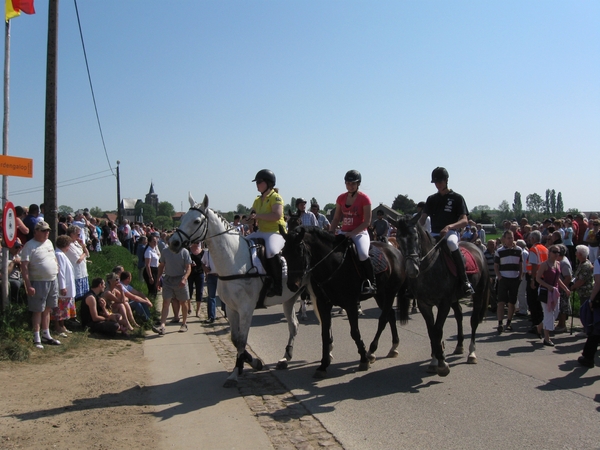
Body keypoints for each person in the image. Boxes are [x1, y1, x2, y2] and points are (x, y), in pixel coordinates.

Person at [420, 167, 474, 296]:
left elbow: (464, 220)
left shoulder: (457, 198)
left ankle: (465, 280)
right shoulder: (431, 199)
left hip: (451, 233)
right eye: (436, 183)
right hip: (434, 233)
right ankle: (412, 284)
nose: (438, 185)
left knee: (451, 243)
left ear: (446, 180)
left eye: (440, 182)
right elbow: (422, 219)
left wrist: (450, 227)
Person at [329, 170, 376, 295]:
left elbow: (367, 222)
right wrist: (330, 232)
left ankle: (370, 282)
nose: (350, 186)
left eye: (353, 183)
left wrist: (353, 232)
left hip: (360, 232)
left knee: (362, 254)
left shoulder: (364, 199)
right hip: (344, 231)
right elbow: (336, 218)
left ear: (358, 184)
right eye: (348, 183)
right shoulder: (340, 198)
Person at [245, 169, 286, 298]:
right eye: (256, 182)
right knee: (243, 243)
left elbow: (277, 215)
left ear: (268, 183)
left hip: (275, 232)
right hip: (262, 232)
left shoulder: (276, 197)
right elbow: (252, 215)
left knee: (271, 251)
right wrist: (248, 219)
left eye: (259, 182)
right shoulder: (257, 200)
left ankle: (277, 284)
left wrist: (258, 216)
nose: (257, 184)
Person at [20, 221, 60, 349]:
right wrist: (28, 285)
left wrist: (56, 267)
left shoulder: (49, 243)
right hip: (38, 281)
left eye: (47, 230)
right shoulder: (29, 245)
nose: (46, 233)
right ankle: (36, 336)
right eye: (43, 230)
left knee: (48, 308)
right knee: (38, 309)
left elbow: (53, 257)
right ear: (36, 231)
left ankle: (46, 334)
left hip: (52, 279)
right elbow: (24, 267)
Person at [535, 244, 570, 347]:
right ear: (549, 252)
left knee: (556, 313)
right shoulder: (544, 264)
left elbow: (558, 278)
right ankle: (547, 338)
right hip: (545, 291)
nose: (556, 254)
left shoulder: (558, 264)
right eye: (554, 251)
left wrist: (565, 288)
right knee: (548, 313)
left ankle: (539, 327)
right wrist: (548, 286)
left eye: (558, 252)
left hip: (554, 292)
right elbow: (538, 278)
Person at [156, 241, 192, 334]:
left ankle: (184, 324)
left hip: (180, 279)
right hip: (168, 280)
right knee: (166, 302)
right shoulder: (165, 251)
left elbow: (188, 267)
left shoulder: (184, 251)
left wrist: (185, 278)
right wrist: (158, 278)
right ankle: (162, 325)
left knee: (183, 302)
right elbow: (161, 265)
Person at [494, 230, 523, 333]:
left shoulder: (519, 250)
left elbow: (520, 264)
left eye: (512, 238)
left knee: (512, 303)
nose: (511, 240)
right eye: (508, 238)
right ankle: (500, 323)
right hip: (504, 278)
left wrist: (520, 276)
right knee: (501, 302)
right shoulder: (499, 251)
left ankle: (509, 323)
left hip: (514, 279)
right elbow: (496, 265)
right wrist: (499, 277)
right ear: (504, 239)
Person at [577, 248, 599, 368]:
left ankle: (588, 357)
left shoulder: (598, 262)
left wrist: (591, 299)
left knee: (596, 329)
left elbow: (598, 283)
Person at [52, 235, 76, 338]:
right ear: (65, 245)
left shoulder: (61, 254)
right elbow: (60, 272)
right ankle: (57, 327)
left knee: (64, 308)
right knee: (59, 309)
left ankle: (63, 326)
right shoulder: (59, 255)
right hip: (63, 287)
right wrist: (63, 286)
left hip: (67, 285)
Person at [526, 230, 548, 335]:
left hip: (535, 277)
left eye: (530, 239)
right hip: (544, 278)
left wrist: (532, 280)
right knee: (540, 302)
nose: (529, 240)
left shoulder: (533, 249)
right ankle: (541, 323)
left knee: (533, 301)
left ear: (533, 239)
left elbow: (534, 265)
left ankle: (536, 324)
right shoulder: (544, 248)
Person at [65, 225, 90, 302]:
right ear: (72, 234)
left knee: (84, 296)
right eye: (78, 234)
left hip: (83, 273)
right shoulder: (68, 245)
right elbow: (78, 259)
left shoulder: (76, 243)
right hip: (76, 274)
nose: (79, 236)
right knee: (76, 297)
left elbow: (88, 254)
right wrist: (84, 253)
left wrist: (83, 246)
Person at [554, 244, 572, 333]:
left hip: (563, 289)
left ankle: (563, 325)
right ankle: (559, 324)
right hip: (559, 288)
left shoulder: (564, 263)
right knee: (560, 307)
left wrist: (562, 288)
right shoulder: (559, 261)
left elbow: (568, 277)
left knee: (563, 308)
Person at [1, 238, 24, 303]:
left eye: (20, 247)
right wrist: (13, 263)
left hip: (19, 277)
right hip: (9, 279)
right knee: (16, 284)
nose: (18, 249)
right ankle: (14, 306)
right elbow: (2, 274)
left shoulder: (19, 255)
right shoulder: (2, 256)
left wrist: (21, 264)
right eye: (16, 247)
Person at [201, 247, 220, 323]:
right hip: (211, 276)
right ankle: (211, 317)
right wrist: (205, 268)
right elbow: (202, 262)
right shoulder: (207, 252)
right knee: (211, 296)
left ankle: (226, 313)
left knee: (224, 296)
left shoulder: (221, 251)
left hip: (221, 276)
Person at [188, 242, 205, 317]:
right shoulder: (188, 250)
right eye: (196, 241)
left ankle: (198, 311)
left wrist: (207, 274)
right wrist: (190, 264)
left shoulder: (203, 252)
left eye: (198, 241)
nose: (197, 243)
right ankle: (189, 307)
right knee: (189, 291)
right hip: (190, 274)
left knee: (200, 292)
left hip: (200, 273)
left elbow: (205, 263)